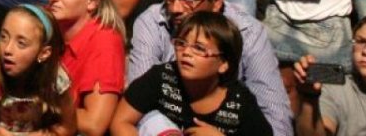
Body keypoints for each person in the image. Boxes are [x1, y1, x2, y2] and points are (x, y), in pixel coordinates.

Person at [129, 0, 291, 136]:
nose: (175, 8)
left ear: (217, 1)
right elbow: (138, 101)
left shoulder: (249, 32)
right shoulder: (152, 21)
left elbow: (274, 114)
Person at [112, 11, 272, 136]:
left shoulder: (240, 103)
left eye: (199, 48)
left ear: (223, 64)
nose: (186, 52)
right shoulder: (162, 77)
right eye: (181, 43)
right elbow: (121, 121)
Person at [42, 0, 124, 136]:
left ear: (92, 1)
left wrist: (37, 107)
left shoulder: (104, 42)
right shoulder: (47, 21)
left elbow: (94, 123)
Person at [0, 4, 78, 136]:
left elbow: (68, 128)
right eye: (4, 37)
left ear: (44, 53)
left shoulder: (56, 79)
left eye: (21, 43)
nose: (7, 49)